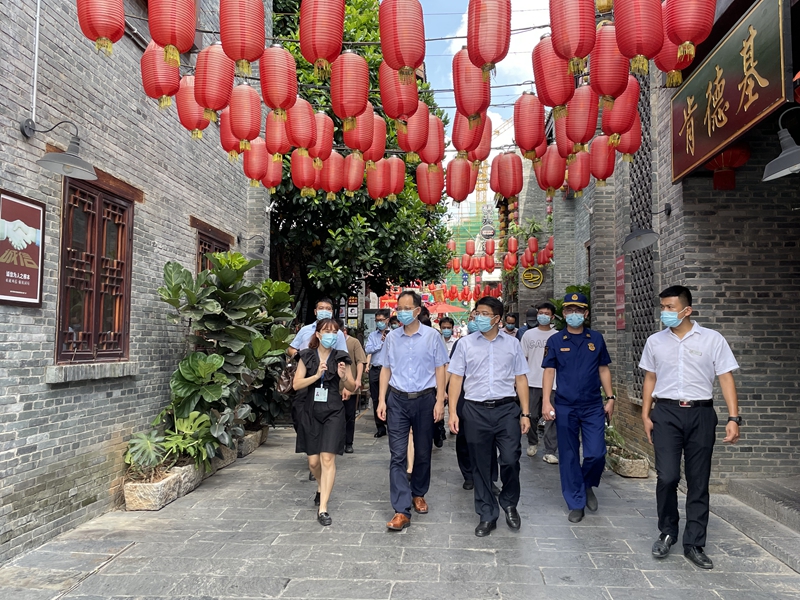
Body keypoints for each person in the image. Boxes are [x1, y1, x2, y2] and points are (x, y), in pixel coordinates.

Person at [640, 285, 740, 570]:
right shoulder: (655, 341)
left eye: (670, 307)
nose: (665, 313)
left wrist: (734, 418)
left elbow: (725, 378)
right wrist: (646, 415)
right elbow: (650, 378)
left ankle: (694, 542)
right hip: (667, 413)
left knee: (698, 481)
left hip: (701, 414)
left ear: (687, 310)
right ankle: (668, 530)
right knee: (668, 477)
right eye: (663, 307)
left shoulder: (712, 339)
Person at [448, 296, 531, 537]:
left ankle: (509, 502)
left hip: (506, 409)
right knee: (480, 465)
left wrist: (525, 413)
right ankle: (487, 513)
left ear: (497, 319)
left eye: (485, 314)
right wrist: (452, 411)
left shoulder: (513, 344)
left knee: (510, 459)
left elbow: (521, 379)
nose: (478, 317)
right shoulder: (465, 344)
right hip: (475, 410)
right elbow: (456, 379)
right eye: (477, 313)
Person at [377, 291, 449, 531]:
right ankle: (400, 509)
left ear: (418, 310)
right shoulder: (392, 338)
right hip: (397, 399)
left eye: (408, 308)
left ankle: (419, 492)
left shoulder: (432, 337)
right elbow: (386, 369)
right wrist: (381, 400)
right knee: (397, 455)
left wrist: (440, 400)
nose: (403, 312)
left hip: (425, 399)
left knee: (422, 451)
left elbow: (441, 368)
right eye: (400, 308)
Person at [542, 292, 615, 524]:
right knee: (569, 455)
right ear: (563, 314)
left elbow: (603, 369)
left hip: (593, 405)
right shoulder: (555, 341)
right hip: (565, 405)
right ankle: (575, 501)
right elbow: (549, 371)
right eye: (569, 311)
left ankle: (586, 483)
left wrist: (611, 397)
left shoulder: (596, 338)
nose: (574, 315)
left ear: (586, 313)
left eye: (578, 310)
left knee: (596, 453)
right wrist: (546, 401)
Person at [292, 319, 356, 526]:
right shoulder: (306, 356)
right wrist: (316, 375)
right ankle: (320, 486)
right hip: (310, 410)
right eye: (326, 331)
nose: (331, 335)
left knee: (328, 459)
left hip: (333, 411)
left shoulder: (341, 357)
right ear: (318, 334)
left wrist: (344, 377)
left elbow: (353, 385)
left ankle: (323, 508)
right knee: (313, 462)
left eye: (335, 332)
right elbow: (296, 384)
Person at [520, 302, 560, 463]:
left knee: (551, 416)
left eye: (546, 313)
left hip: (553, 384)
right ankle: (532, 441)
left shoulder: (557, 336)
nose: (543, 316)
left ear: (552, 317)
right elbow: (522, 358)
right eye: (540, 313)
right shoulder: (528, 335)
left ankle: (550, 450)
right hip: (532, 381)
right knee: (531, 415)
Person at [364, 309, 391, 438]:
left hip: (389, 369)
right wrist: (380, 344)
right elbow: (368, 349)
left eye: (381, 320)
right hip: (375, 369)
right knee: (375, 398)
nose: (379, 323)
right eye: (377, 320)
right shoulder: (372, 336)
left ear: (387, 320)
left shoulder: (394, 334)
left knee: (389, 397)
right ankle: (380, 427)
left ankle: (391, 423)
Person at [342, 327, 367, 454]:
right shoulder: (329, 344)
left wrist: (358, 380)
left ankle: (348, 442)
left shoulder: (353, 342)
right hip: (334, 388)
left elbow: (360, 361)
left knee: (349, 415)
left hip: (350, 386)